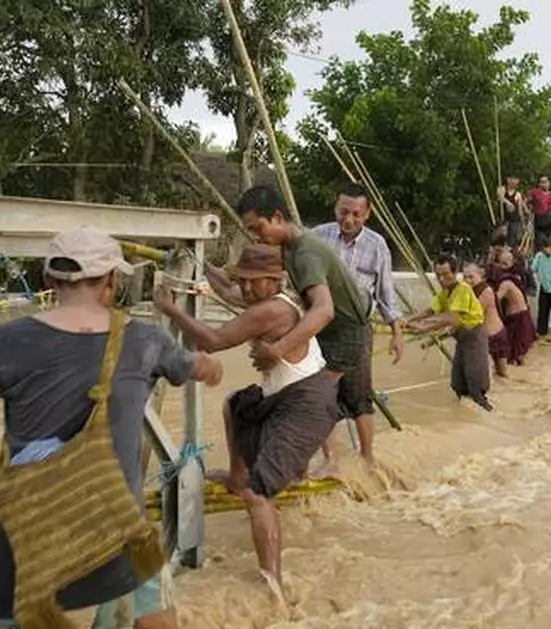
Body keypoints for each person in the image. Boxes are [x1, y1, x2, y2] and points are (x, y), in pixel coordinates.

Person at [0, 226, 223, 629]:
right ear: (111, 282)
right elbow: (198, 367)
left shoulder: (2, 343)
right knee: (153, 609)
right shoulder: (144, 341)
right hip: (114, 529)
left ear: (49, 280)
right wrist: (213, 367)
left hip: (29, 539)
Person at [154, 243, 337, 595]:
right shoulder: (270, 300)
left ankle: (273, 584)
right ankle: (240, 475)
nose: (248, 289)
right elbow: (228, 290)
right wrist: (199, 262)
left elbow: (212, 339)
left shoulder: (271, 311)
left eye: (256, 282)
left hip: (306, 403)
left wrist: (169, 309)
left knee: (258, 496)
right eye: (245, 281)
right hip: (288, 396)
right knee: (236, 405)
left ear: (275, 280)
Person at [224, 186, 371, 471]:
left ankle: (332, 461)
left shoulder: (305, 253)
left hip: (346, 332)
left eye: (258, 228)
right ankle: (324, 461)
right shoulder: (288, 247)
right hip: (328, 330)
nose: (256, 236)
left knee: (317, 394)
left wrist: (278, 350)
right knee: (325, 394)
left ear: (278, 217)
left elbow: (324, 309)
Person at [311, 182, 405, 474]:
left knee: (360, 396)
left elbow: (386, 294)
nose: (349, 220)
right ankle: (330, 460)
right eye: (343, 212)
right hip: (320, 327)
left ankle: (367, 459)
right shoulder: (316, 239)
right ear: (335, 208)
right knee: (320, 393)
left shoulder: (377, 245)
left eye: (356, 214)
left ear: (367, 213)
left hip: (357, 329)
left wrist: (397, 332)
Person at [406, 257, 493, 410]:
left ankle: (486, 412)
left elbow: (451, 318)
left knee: (475, 384)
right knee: (458, 383)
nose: (441, 279)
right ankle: (464, 417)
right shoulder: (445, 292)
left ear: (455, 273)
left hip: (474, 336)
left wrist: (423, 328)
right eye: (438, 275)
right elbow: (431, 310)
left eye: (446, 274)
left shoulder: (463, 289)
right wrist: (408, 320)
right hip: (462, 338)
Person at [492, 249, 537, 365]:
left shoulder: (505, 282)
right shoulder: (515, 277)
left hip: (517, 319)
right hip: (519, 316)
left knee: (517, 355)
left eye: (506, 263)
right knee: (515, 356)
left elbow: (494, 300)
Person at [464, 263, 508, 378]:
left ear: (480, 275)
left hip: (494, 336)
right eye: (465, 277)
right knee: (494, 375)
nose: (468, 280)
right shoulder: (472, 292)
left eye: (471, 277)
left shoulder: (486, 291)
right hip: (488, 336)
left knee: (500, 374)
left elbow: (473, 315)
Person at [527, 175, 551, 243]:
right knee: (539, 241)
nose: (544, 184)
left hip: (550, 220)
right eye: (542, 182)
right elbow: (525, 202)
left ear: (549, 183)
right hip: (539, 219)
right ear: (539, 184)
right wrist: (528, 212)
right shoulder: (534, 192)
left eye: (545, 182)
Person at [497, 175, 527, 248]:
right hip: (503, 219)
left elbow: (520, 210)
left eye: (516, 180)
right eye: (513, 179)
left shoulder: (518, 194)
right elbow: (500, 197)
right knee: (501, 238)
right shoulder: (502, 189)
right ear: (508, 180)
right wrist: (508, 203)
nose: (514, 182)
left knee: (513, 240)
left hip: (514, 220)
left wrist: (523, 223)